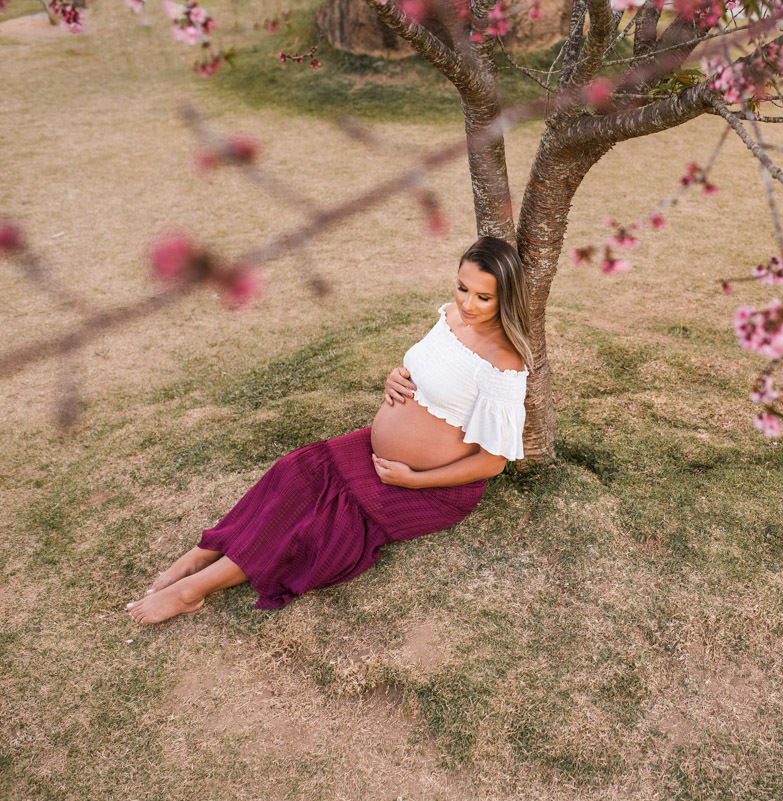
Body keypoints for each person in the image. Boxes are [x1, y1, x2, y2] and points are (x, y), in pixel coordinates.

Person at [127, 236, 532, 624]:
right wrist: (395, 377)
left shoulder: (504, 364)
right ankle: (203, 551)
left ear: (505, 298)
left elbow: (492, 463)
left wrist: (416, 480)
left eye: (483, 296)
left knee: (319, 520)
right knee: (295, 471)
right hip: (385, 458)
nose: (467, 303)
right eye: (462, 288)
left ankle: (193, 589)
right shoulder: (449, 317)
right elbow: (431, 370)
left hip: (435, 489)